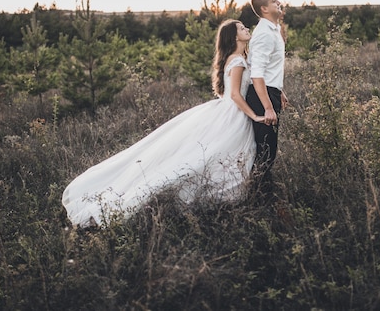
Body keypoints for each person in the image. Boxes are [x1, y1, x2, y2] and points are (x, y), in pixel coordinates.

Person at [62, 19, 265, 227]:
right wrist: (255, 116)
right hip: (233, 114)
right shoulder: (238, 61)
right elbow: (235, 95)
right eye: (242, 28)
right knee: (210, 155)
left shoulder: (239, 58)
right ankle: (206, 199)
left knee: (214, 155)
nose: (247, 29)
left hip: (225, 111)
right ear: (234, 37)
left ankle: (209, 197)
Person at [246, 0, 289, 196]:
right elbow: (256, 74)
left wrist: (279, 90)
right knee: (265, 152)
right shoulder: (264, 34)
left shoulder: (273, 30)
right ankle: (259, 197)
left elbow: (270, 69)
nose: (278, 2)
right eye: (273, 1)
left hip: (269, 91)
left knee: (268, 150)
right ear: (264, 9)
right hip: (261, 96)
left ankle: (262, 193)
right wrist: (268, 106)